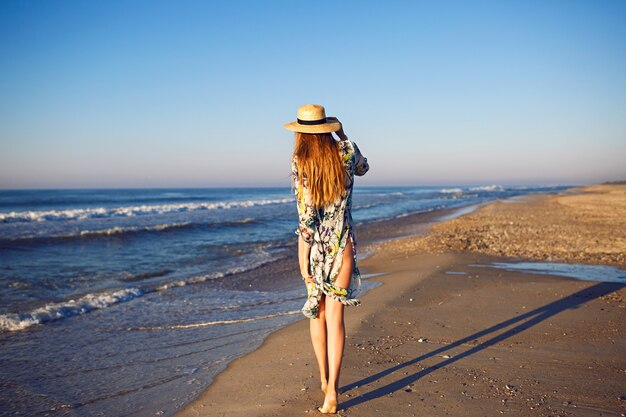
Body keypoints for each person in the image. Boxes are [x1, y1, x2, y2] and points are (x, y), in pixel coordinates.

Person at [284, 104, 369, 414]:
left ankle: (323, 378)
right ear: (325, 127)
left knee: (317, 316)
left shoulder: (300, 162)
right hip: (343, 246)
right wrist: (343, 135)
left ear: (301, 134)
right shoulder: (345, 151)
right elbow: (364, 168)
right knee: (336, 319)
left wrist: (301, 260)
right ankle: (332, 391)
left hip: (316, 249)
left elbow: (306, 220)